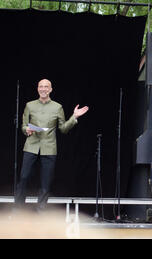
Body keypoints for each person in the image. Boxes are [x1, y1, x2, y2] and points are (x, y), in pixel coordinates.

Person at [15, 79, 89, 212]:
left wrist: (74, 117)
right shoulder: (29, 105)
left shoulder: (57, 107)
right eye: (41, 86)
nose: (43, 89)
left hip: (49, 148)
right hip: (31, 146)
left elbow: (63, 128)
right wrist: (26, 129)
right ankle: (18, 210)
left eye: (46, 87)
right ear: (37, 88)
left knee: (45, 182)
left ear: (50, 89)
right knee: (24, 177)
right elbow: (23, 125)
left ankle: (40, 211)